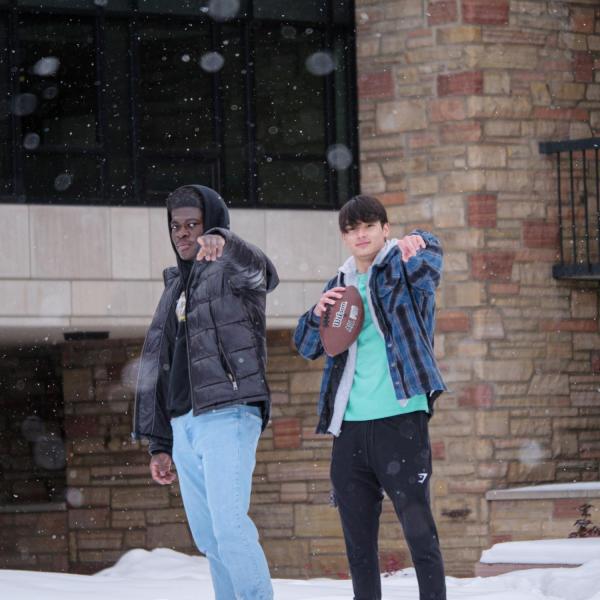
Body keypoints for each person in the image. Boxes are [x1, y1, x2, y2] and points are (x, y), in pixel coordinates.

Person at [294, 195, 447, 600]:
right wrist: (314, 315)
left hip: (401, 419)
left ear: (384, 228)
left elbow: (432, 262)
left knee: (419, 533)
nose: (360, 235)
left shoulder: (404, 269)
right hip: (349, 428)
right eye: (351, 229)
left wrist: (419, 239)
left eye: (368, 226)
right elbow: (308, 346)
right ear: (344, 237)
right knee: (358, 544)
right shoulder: (338, 285)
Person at [133, 184, 278, 600]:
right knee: (210, 539)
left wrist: (225, 241)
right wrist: (159, 442)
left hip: (228, 414)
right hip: (184, 426)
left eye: (193, 225)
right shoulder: (174, 288)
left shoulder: (233, 271)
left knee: (230, 525)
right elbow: (163, 370)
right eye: (176, 226)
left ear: (211, 224)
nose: (182, 233)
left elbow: (264, 272)